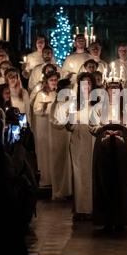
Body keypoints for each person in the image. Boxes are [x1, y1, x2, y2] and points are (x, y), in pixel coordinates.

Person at [91, 123, 127, 231]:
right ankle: (105, 220)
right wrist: (104, 130)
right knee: (103, 181)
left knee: (121, 181)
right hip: (103, 146)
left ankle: (121, 219)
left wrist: (121, 130)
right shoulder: (97, 109)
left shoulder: (125, 109)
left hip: (120, 146)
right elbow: (92, 127)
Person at [67, 73, 98, 219]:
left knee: (92, 172)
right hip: (78, 140)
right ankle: (81, 208)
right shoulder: (74, 104)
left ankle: (93, 207)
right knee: (79, 173)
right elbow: (69, 126)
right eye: (83, 84)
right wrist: (74, 121)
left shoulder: (98, 103)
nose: (86, 87)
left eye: (89, 84)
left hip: (93, 140)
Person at [32, 71, 60, 188]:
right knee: (45, 151)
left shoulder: (59, 93)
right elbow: (36, 110)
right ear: (46, 82)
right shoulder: (41, 94)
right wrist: (42, 107)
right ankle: (46, 178)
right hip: (44, 125)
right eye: (51, 80)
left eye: (55, 80)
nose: (53, 82)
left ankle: (56, 178)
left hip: (55, 125)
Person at [49, 78, 74, 200]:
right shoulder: (56, 104)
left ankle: (69, 190)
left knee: (69, 162)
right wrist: (65, 122)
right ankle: (59, 191)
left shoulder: (72, 103)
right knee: (59, 162)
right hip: (59, 136)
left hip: (70, 135)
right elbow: (53, 120)